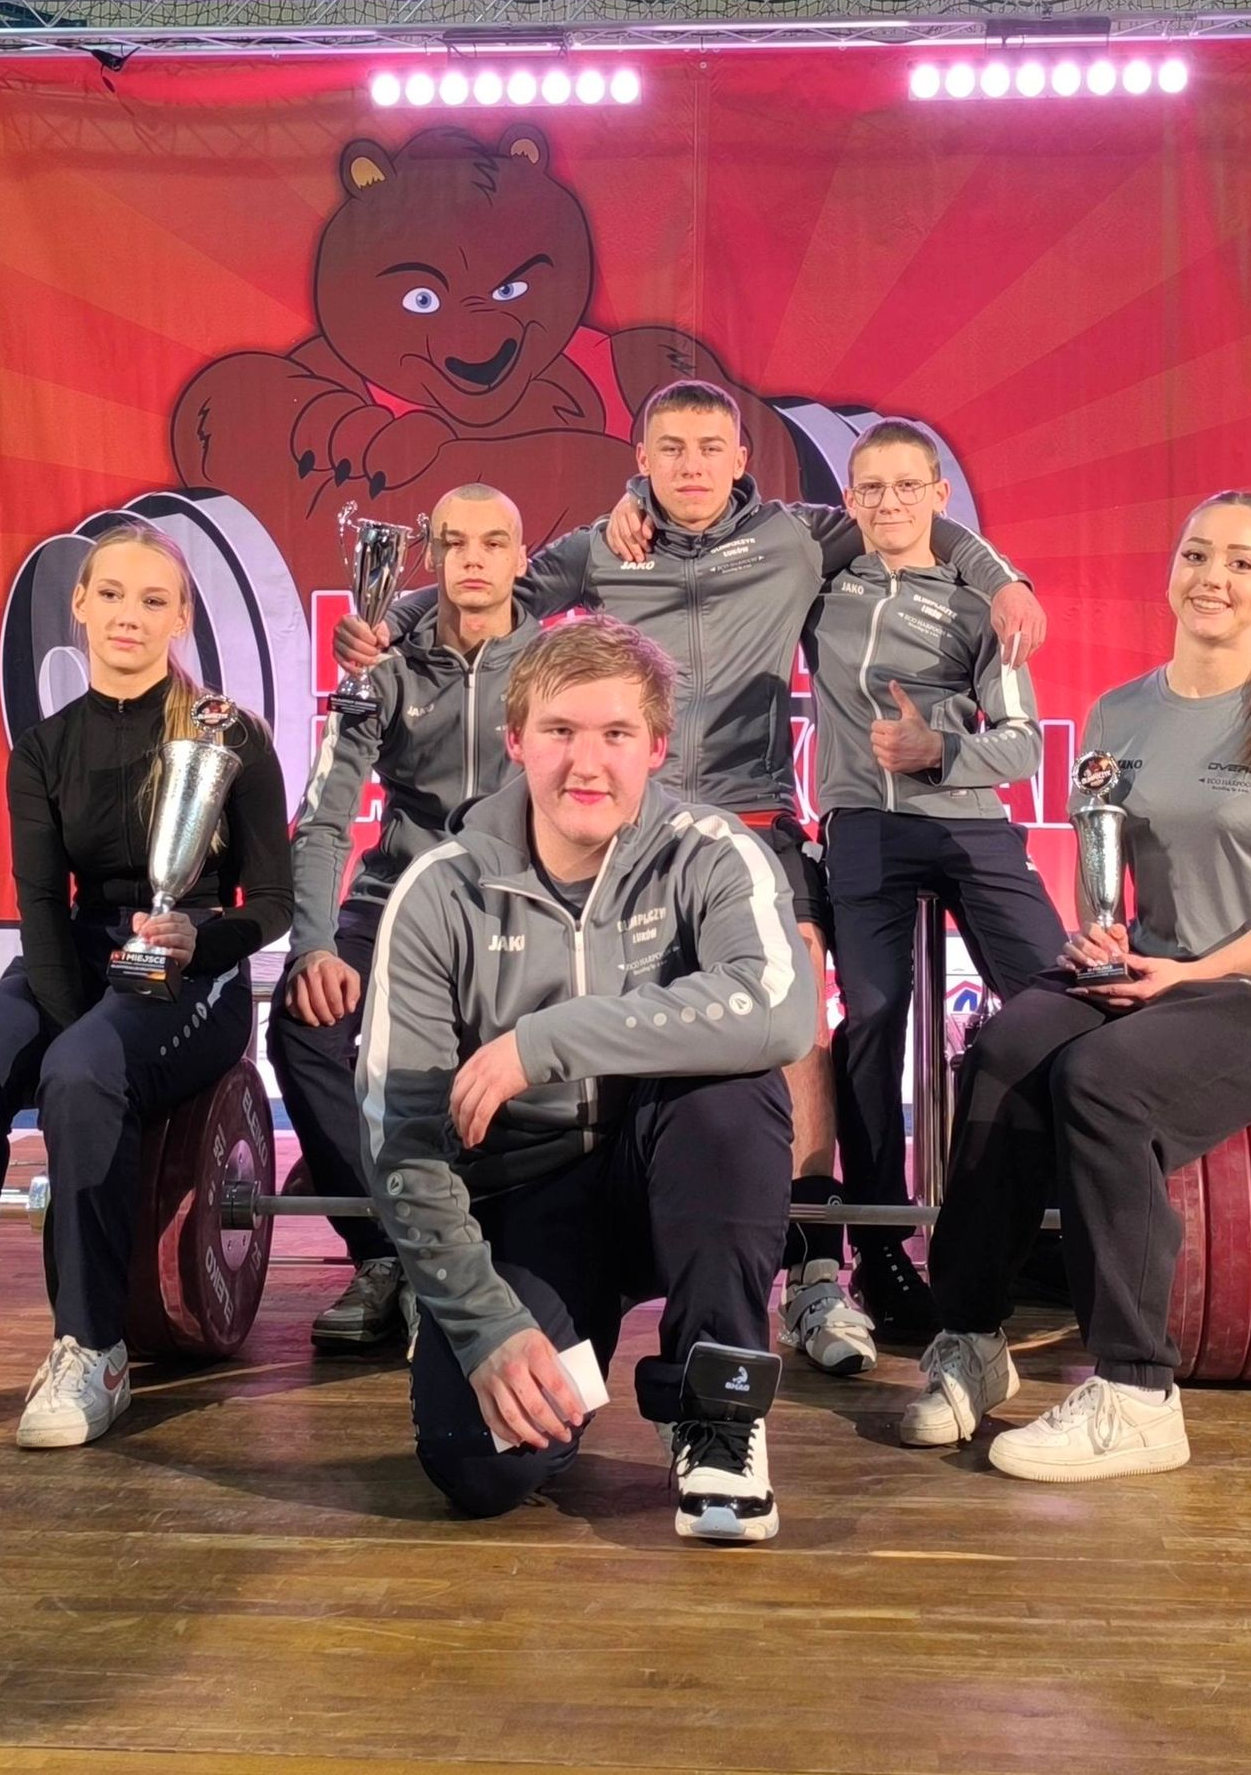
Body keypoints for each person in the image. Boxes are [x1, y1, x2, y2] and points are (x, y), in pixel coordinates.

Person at [339, 380, 1045, 1380]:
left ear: (740, 456)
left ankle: (814, 1269)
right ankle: (506, 1237)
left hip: (752, 818)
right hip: (631, 823)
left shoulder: (798, 537)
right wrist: (388, 622)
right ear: (642, 459)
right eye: (670, 449)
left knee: (798, 997)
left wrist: (1004, 579)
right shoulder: (603, 546)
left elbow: (911, 526)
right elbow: (488, 595)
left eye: (711, 447)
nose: (692, 466)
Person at [901, 492, 1251, 1482]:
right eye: (1197, 555)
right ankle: (972, 1338)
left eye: (1241, 562)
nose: (1213, 577)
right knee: (1003, 1049)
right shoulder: (1119, 712)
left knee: (1100, 1080)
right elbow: (1104, 860)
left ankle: (1138, 1392)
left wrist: (1191, 972)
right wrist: (1104, 933)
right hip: (1148, 966)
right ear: (1172, 572)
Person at [357, 616, 814, 1542]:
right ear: (516, 739)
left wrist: (545, 1042)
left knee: (732, 1093)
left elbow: (781, 1013)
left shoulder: (713, 850)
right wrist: (486, 1324)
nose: (586, 763)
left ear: (657, 747)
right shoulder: (439, 891)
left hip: (670, 1175)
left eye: (615, 734)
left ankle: (718, 1413)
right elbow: (401, 1142)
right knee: (481, 1466)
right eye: (560, 731)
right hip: (528, 1201)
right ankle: (565, 1339)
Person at [0, 525, 291, 1451]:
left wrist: (201, 941)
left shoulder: (230, 735)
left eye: (154, 600)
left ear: (181, 617)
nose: (131, 615)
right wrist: (66, 1024)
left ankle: (94, 1349)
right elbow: (44, 908)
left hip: (192, 969)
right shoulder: (44, 749)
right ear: (81, 605)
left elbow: (273, 905)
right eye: (113, 595)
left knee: (86, 1072)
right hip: (82, 956)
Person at [802, 419, 1066, 1339]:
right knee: (872, 1019)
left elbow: (1024, 745)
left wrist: (939, 752)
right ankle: (878, 1251)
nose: (889, 504)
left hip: (967, 822)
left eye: (907, 487)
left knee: (1056, 1001)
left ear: (939, 495)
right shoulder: (820, 586)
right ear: (849, 499)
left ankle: (1048, 1228)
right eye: (870, 488)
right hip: (863, 824)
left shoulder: (981, 605)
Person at [269, 484, 537, 1351]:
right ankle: (388, 1252)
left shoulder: (552, 665)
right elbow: (323, 819)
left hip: (516, 903)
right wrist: (313, 946)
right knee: (304, 1025)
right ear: (430, 556)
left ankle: (492, 1249)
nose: (473, 559)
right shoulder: (382, 663)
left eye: (492, 542)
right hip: (395, 897)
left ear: (520, 559)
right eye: (453, 542)